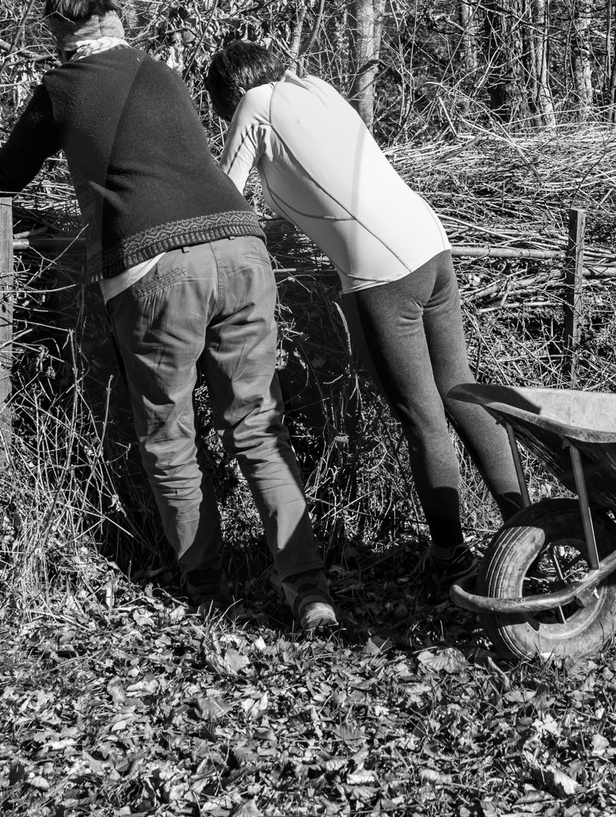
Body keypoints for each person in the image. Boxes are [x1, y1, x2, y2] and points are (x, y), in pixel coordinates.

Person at [0, 0, 338, 631]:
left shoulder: (60, 90)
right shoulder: (163, 76)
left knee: (171, 434)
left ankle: (206, 588)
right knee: (257, 425)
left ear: (60, 35)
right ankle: (308, 588)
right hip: (240, 244)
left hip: (155, 266)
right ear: (118, 22)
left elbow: (2, 177)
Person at [205, 39, 523, 589]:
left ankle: (450, 557)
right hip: (430, 244)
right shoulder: (318, 89)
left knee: (422, 417)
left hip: (382, 274)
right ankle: (529, 525)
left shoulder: (253, 107)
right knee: (460, 391)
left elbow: (223, 204)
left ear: (229, 94)